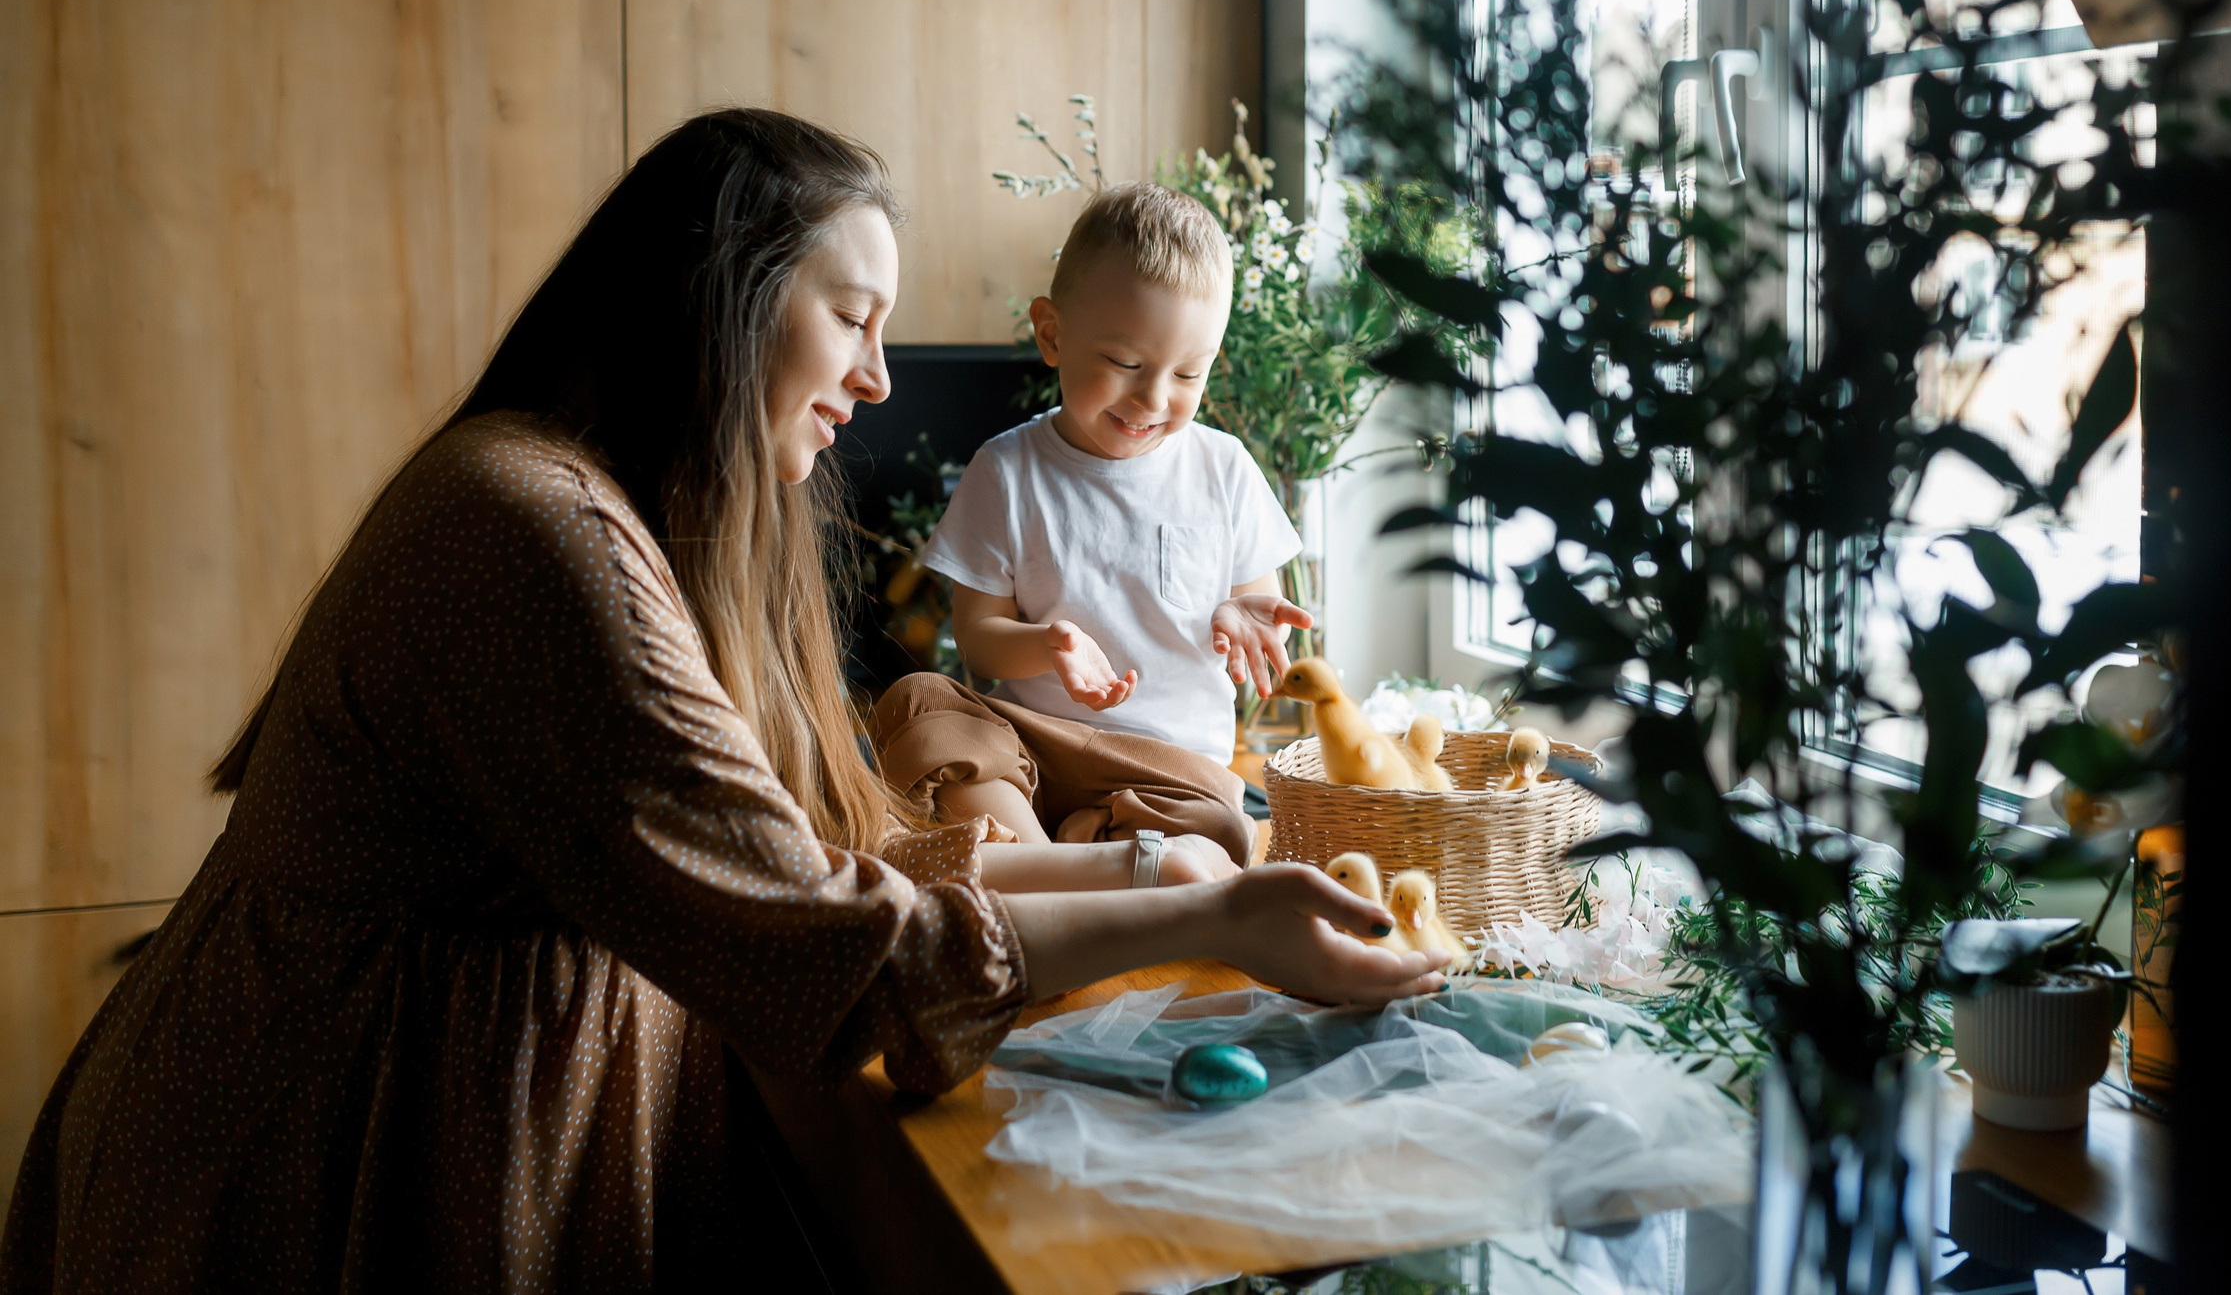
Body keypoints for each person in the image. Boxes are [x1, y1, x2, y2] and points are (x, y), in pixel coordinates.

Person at [0, 110, 1441, 1294]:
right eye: (853, 319)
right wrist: (1213, 910)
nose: (880, 378)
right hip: (324, 1159)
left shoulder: (606, 507)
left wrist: (1155, 858)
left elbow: (811, 858)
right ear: (726, 296)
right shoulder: (537, 535)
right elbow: (835, 941)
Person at [868, 184, 1305, 872]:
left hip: (1170, 768)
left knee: (1221, 821)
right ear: (1052, 333)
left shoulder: (1224, 469)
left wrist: (1243, 617)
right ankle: (1082, 866)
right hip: (1033, 748)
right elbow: (980, 642)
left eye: (1188, 373)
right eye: (1126, 363)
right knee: (917, 705)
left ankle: (1052, 870)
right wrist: (1049, 643)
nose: (1153, 398)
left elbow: (1262, 615)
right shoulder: (1006, 471)